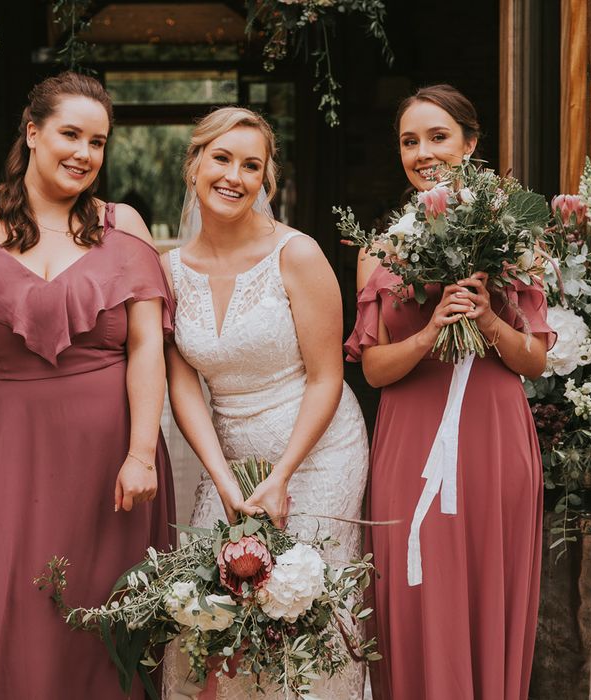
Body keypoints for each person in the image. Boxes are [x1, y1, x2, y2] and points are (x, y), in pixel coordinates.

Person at [0, 72, 175, 699]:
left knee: (105, 605)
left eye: (98, 141)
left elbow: (146, 345)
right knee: (12, 597)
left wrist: (142, 452)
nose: (84, 153)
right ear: (32, 132)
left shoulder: (123, 226)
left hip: (112, 457)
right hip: (4, 444)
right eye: (70, 134)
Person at [345, 84, 556, 699]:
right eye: (409, 141)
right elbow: (376, 371)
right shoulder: (380, 250)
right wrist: (432, 331)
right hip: (410, 435)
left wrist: (488, 319)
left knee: (488, 582)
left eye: (438, 137)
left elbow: (536, 361)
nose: (422, 152)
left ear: (471, 143)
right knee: (416, 591)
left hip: (491, 433)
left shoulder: (515, 239)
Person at [160, 106, 370, 699]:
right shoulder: (168, 270)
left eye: (251, 165)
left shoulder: (297, 254)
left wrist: (281, 476)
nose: (234, 175)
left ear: (266, 182)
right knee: (211, 611)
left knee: (303, 606)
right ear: (194, 164)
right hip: (226, 458)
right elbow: (183, 387)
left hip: (315, 451)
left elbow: (328, 377)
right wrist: (223, 481)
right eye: (221, 158)